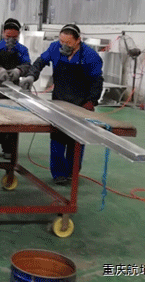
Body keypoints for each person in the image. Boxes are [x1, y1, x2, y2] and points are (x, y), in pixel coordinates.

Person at [21, 24, 103, 185]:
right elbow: (40, 62)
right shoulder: (54, 48)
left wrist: (91, 101)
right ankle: (58, 173)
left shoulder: (90, 56)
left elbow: (96, 81)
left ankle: (72, 172)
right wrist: (31, 76)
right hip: (59, 100)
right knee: (57, 138)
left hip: (80, 103)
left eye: (68, 42)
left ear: (78, 40)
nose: (64, 45)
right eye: (61, 41)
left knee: (76, 139)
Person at [0, 18, 31, 159]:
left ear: (18, 35)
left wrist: (19, 70)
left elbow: (27, 64)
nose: (11, 39)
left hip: (14, 87)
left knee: (13, 117)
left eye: (14, 37)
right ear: (2, 33)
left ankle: (9, 148)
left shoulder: (22, 50)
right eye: (8, 36)